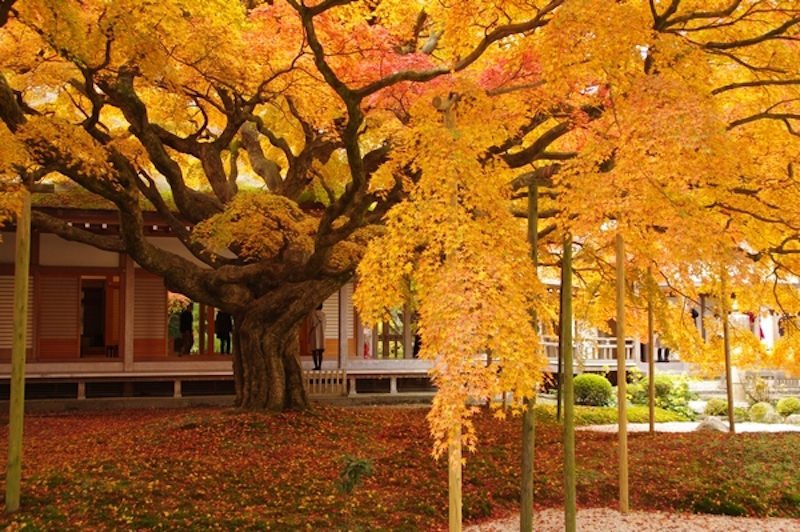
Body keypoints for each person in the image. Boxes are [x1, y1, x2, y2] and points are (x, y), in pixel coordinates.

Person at [309, 304, 326, 370]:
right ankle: (320, 365)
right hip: (321, 334)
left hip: (314, 334)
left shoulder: (312, 315)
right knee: (320, 351)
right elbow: (325, 325)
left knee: (314, 351)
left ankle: (316, 365)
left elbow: (310, 325)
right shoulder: (323, 315)